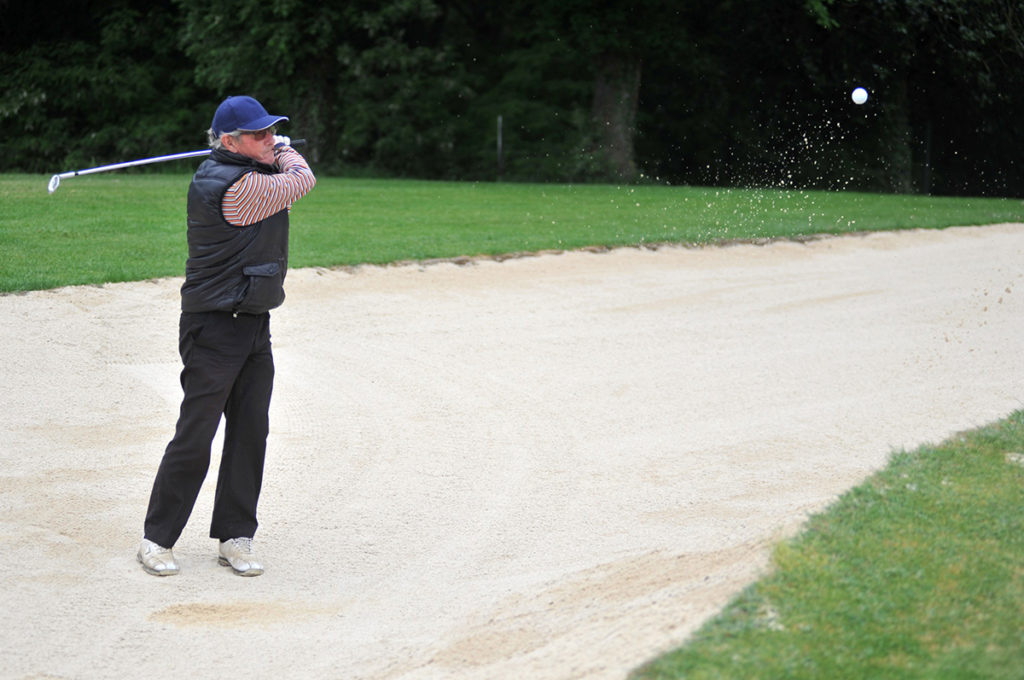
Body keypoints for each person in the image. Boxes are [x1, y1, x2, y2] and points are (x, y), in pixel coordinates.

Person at [137, 95, 316, 576]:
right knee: (196, 434)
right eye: (259, 133)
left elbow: (281, 172)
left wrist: (270, 148)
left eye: (272, 130)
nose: (270, 138)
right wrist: (284, 149)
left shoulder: (242, 169)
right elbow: (302, 178)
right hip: (214, 326)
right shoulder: (236, 185)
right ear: (230, 142)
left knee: (250, 430)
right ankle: (157, 539)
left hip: (253, 320)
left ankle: (236, 536)